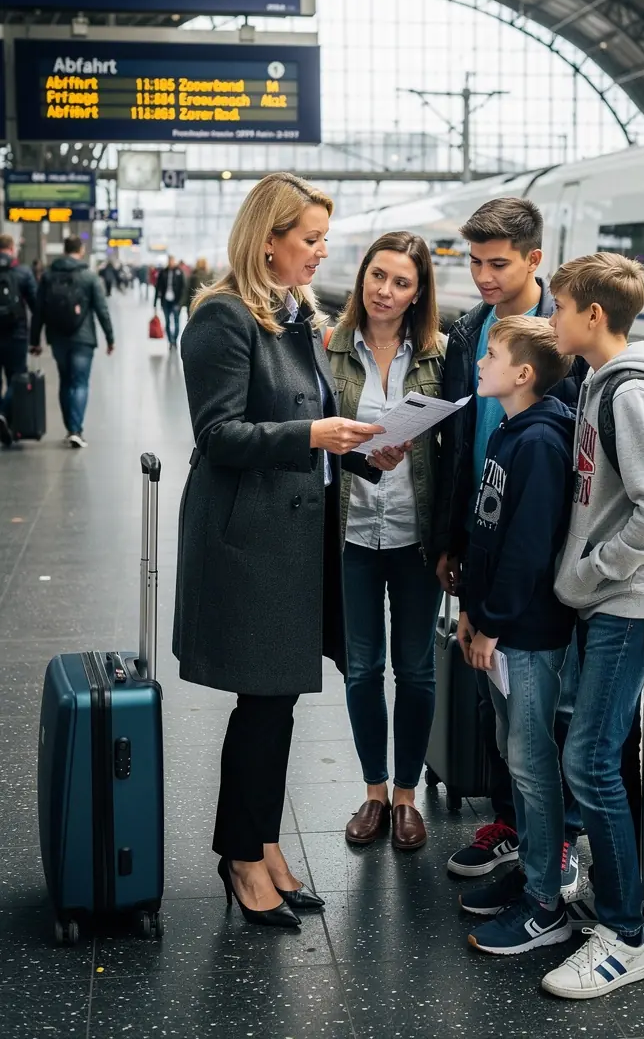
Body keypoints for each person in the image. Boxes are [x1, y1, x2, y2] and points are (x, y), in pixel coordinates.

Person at [174, 172, 395, 929]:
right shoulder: (223, 318)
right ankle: (240, 856)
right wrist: (313, 437)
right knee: (262, 703)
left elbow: (314, 416)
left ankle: (262, 841)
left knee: (279, 702)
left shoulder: (294, 316)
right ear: (267, 241)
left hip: (294, 537)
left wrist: (365, 453)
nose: (321, 252)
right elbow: (217, 435)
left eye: (324, 239)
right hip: (251, 543)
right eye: (309, 239)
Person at [540, 251, 644, 1000]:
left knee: (590, 761)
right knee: (596, 755)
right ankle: (615, 897)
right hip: (613, 599)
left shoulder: (628, 395)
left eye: (558, 306)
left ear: (592, 315)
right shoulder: (604, 382)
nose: (550, 317)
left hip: (629, 600)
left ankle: (625, 936)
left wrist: (594, 567)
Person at [433, 197, 586, 883]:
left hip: (544, 552)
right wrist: (453, 541)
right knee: (500, 707)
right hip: (483, 529)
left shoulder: (566, 331)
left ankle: (558, 846)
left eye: (498, 263)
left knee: (551, 707)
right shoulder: (469, 330)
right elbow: (456, 437)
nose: (483, 276)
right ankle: (511, 825)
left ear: (533, 261)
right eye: (474, 262)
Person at [456, 316, 576, 954]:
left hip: (525, 635)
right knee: (515, 751)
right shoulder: (511, 431)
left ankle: (545, 903)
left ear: (523, 373)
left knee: (532, 766)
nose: (481, 361)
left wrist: (493, 623)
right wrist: (473, 612)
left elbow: (527, 549)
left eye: (493, 354)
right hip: (502, 630)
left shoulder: (539, 443)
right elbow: (489, 535)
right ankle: (532, 873)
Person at [327, 232, 446, 853]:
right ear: (362, 277)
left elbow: (448, 453)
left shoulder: (439, 356)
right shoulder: (329, 351)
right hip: (351, 533)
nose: (385, 291)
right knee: (363, 668)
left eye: (402, 282)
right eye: (378, 276)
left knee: (418, 669)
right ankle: (374, 792)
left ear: (418, 292)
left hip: (413, 536)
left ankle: (407, 796)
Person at [29, 236, 115, 449]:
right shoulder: (89, 276)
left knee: (65, 381)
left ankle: (70, 426)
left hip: (58, 338)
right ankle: (75, 430)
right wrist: (110, 338)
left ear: (64, 249)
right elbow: (102, 310)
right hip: (83, 339)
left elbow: (38, 310)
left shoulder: (48, 276)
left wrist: (34, 341)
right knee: (79, 383)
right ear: (81, 250)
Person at [0, 234, 38, 448]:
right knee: (17, 378)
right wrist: (36, 338)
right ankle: (4, 414)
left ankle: (2, 417)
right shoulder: (23, 272)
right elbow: (35, 304)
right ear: (12, 249)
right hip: (17, 334)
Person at [153, 255, 185, 349]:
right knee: (167, 321)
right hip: (165, 301)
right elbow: (158, 288)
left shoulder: (179, 272)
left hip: (176, 301)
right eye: (169, 261)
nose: (171, 262)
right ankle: (170, 340)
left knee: (176, 321)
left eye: (172, 261)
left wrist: (180, 303)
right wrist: (155, 303)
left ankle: (175, 340)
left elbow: (183, 288)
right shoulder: (163, 272)